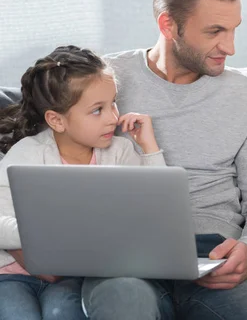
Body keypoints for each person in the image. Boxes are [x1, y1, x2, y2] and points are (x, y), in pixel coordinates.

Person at [80, 0, 247, 320]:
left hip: (215, 259)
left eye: (234, 28)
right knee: (124, 305)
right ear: (169, 25)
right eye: (215, 32)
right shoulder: (103, 81)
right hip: (125, 261)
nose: (230, 47)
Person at [0, 45, 164, 320]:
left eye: (113, 103)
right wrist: (48, 231)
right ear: (56, 120)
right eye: (97, 110)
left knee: (62, 312)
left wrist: (149, 148)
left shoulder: (119, 152)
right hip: (11, 276)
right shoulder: (28, 153)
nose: (113, 117)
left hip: (71, 277)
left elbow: (157, 211)